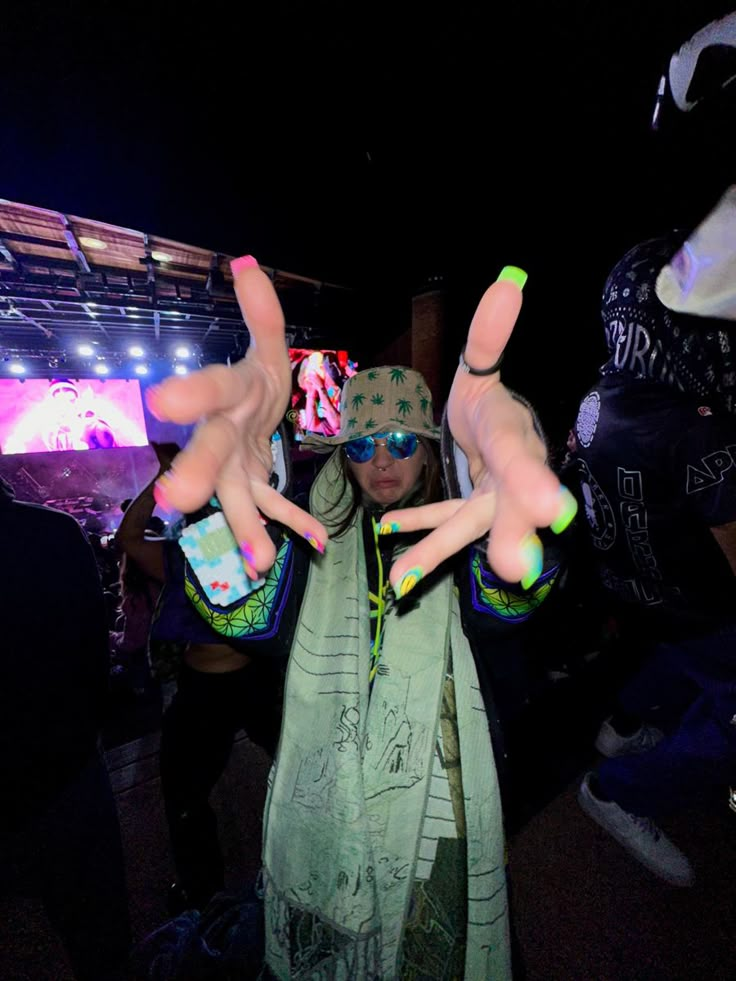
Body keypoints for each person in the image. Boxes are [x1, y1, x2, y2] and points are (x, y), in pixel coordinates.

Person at [139, 254, 577, 979]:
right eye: (363, 445)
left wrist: (517, 531)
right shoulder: (314, 538)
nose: (382, 462)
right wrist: (224, 512)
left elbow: (509, 593)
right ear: (341, 456)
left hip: (443, 806)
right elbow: (243, 609)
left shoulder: (461, 528)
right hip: (331, 809)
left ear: (430, 450)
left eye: (401, 442)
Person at [572, 7, 736, 887]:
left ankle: (621, 721)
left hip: (640, 591)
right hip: (694, 595)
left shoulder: (599, 398)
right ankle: (618, 783)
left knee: (683, 645)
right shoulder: (699, 429)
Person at [115, 441, 287, 916]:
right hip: (205, 689)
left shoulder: (250, 542)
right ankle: (202, 893)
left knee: (295, 775)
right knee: (184, 796)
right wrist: (166, 477)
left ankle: (244, 883)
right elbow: (129, 538)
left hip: (251, 681)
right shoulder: (194, 548)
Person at [0, 475, 131, 981]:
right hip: (66, 775)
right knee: (100, 947)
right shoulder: (53, 534)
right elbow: (94, 657)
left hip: (56, 773)